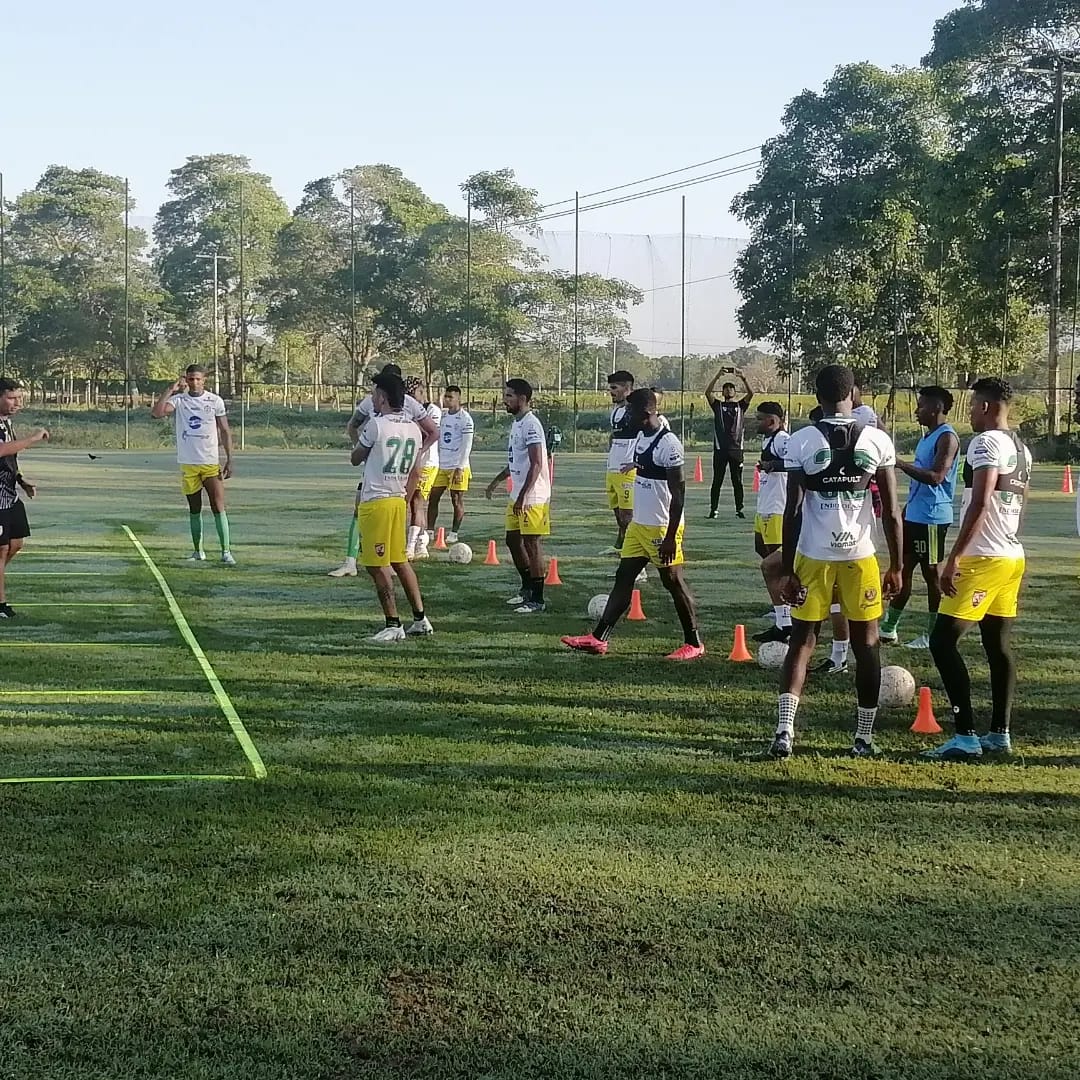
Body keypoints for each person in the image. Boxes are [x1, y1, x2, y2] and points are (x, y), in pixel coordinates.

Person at [769, 364, 903, 759]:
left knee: (802, 641)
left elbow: (791, 511)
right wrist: (896, 565)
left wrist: (789, 569)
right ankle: (863, 738)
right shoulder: (878, 440)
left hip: (814, 556)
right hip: (860, 556)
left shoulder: (802, 440)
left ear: (817, 395)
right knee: (867, 645)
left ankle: (785, 732)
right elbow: (892, 512)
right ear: (853, 393)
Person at [925, 378, 1030, 761]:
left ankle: (966, 735)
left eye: (972, 405)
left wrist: (953, 558)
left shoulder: (985, 444)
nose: (968, 412)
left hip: (983, 557)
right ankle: (999, 734)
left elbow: (979, 503)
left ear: (985, 407)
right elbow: (1019, 503)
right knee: (996, 644)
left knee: (942, 640)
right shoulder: (1022, 448)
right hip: (1010, 556)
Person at [562, 388, 704, 660]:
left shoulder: (669, 444)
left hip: (661, 527)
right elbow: (648, 468)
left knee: (673, 581)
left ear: (647, 413)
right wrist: (634, 465)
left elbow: (678, 495)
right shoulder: (641, 437)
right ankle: (598, 638)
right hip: (639, 525)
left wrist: (671, 537)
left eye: (631, 411)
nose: (626, 415)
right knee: (623, 577)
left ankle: (694, 642)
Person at [329, 364, 438, 577]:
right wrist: (361, 447)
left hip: (402, 468)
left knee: (406, 507)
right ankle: (351, 561)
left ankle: (394, 556)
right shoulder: (370, 403)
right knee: (360, 508)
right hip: (378, 466)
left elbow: (433, 431)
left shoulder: (411, 405)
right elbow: (353, 425)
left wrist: (418, 452)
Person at [349, 372, 434, 642]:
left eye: (375, 393)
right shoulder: (413, 428)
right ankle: (420, 618)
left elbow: (355, 458)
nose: (373, 397)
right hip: (399, 500)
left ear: (383, 397)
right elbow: (415, 473)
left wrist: (363, 446)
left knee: (377, 565)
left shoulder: (376, 425)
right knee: (399, 560)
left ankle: (393, 623)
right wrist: (406, 499)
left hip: (377, 501)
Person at [880, 386, 960, 650]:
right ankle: (889, 629)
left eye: (921, 405)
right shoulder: (928, 437)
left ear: (937, 408)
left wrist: (900, 464)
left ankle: (933, 635)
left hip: (933, 518)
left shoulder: (947, 438)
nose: (916, 410)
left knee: (932, 574)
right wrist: (906, 511)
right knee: (901, 568)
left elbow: (936, 477)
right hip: (916, 514)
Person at [150, 365, 236, 565]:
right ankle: (198, 551)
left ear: (204, 380)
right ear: (185, 380)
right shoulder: (179, 400)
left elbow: (225, 430)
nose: (194, 382)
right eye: (190, 379)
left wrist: (230, 458)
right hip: (189, 464)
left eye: (197, 379)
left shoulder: (214, 401)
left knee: (218, 506)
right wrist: (171, 389)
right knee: (194, 509)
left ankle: (226, 551)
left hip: (209, 463)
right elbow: (157, 413)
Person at [485, 379, 551, 614]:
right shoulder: (517, 423)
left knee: (532, 544)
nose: (505, 400)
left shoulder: (531, 425)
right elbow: (517, 462)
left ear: (522, 399)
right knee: (512, 540)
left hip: (532, 497)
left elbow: (536, 464)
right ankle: (526, 589)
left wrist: (523, 495)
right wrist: (496, 481)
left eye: (509, 396)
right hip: (519, 494)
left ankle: (538, 599)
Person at [0, 379, 48, 619]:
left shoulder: (6, 422)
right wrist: (33, 438)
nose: (17, 403)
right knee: (1, 550)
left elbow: (9, 459)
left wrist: (21, 480)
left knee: (16, 544)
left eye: (19, 397)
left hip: (9, 493)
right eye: (11, 397)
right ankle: (1, 606)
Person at [751, 402, 792, 644]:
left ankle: (785, 616)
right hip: (765, 506)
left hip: (777, 508)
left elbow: (794, 462)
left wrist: (771, 465)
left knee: (777, 563)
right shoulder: (768, 440)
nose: (757, 422)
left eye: (760, 418)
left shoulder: (782, 439)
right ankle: (781, 607)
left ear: (773, 420)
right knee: (761, 549)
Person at [705, 366, 754, 519]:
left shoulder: (740, 406)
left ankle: (739, 509)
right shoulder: (718, 406)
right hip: (720, 449)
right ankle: (714, 510)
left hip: (736, 450)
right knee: (717, 481)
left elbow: (751, 393)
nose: (728, 391)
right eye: (725, 389)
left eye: (731, 389)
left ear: (734, 392)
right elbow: (707, 393)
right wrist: (717, 375)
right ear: (722, 392)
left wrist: (743, 377)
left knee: (737, 481)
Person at [427, 385, 474, 543]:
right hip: (441, 466)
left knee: (456, 500)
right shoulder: (443, 416)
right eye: (445, 396)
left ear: (458, 399)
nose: (447, 400)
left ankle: (454, 533)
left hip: (458, 466)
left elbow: (467, 445)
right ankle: (429, 531)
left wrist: (460, 467)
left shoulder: (465, 419)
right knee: (433, 498)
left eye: (450, 397)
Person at [600, 370, 637, 555]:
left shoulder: (636, 411)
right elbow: (614, 436)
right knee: (618, 514)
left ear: (627, 388)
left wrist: (635, 462)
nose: (611, 392)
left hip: (628, 471)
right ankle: (620, 545)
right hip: (613, 469)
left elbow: (646, 438)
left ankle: (635, 556)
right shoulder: (616, 410)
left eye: (614, 388)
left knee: (628, 515)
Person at [405, 377, 442, 560]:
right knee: (412, 503)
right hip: (411, 464)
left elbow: (429, 432)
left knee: (417, 502)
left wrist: (419, 451)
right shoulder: (407, 409)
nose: (423, 395)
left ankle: (412, 546)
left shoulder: (432, 410)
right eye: (419, 392)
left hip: (428, 463)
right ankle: (421, 541)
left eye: (422, 392)